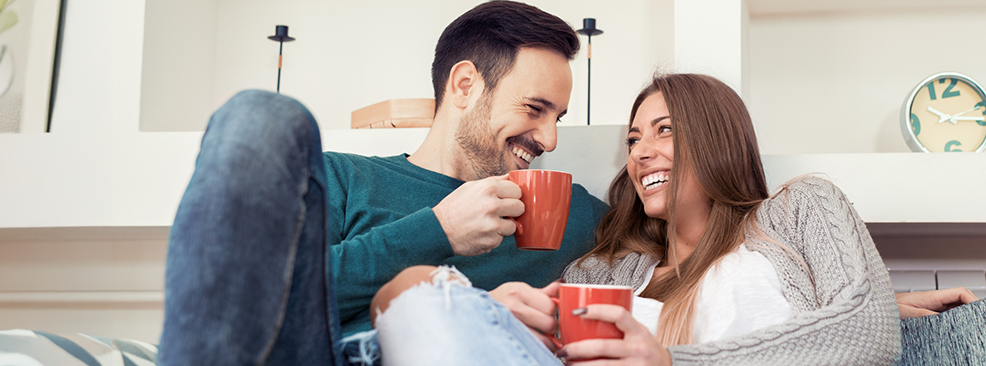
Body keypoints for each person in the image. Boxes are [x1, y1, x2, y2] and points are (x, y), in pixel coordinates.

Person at [368, 73, 941, 365]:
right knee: (412, 289)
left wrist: (670, 361)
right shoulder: (605, 272)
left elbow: (867, 333)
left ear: (718, 137)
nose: (640, 152)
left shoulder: (798, 210)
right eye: (634, 139)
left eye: (665, 130)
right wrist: (506, 313)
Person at [158, 2, 606, 366]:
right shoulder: (343, 178)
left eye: (557, 118)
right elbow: (262, 299)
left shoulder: (570, 209)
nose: (549, 138)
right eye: (534, 109)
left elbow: (670, 255)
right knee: (261, 115)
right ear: (465, 85)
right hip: (321, 356)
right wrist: (438, 229)